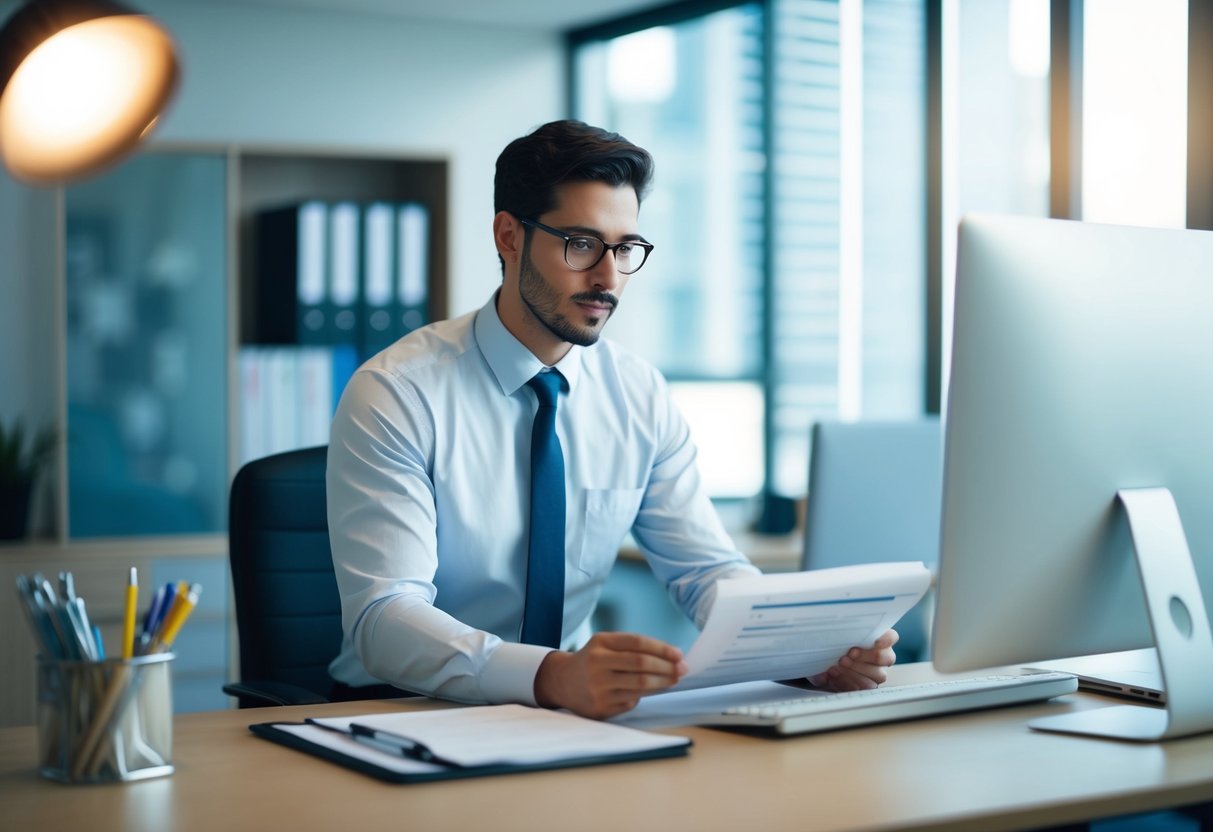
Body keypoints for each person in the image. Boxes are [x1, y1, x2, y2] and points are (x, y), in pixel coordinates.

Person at [326, 119, 898, 719]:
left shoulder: (637, 393)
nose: (608, 277)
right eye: (580, 244)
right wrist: (551, 676)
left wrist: (802, 649)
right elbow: (384, 616)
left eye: (625, 249)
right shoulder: (396, 394)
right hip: (398, 709)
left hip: (573, 711)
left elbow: (706, 571)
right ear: (508, 237)